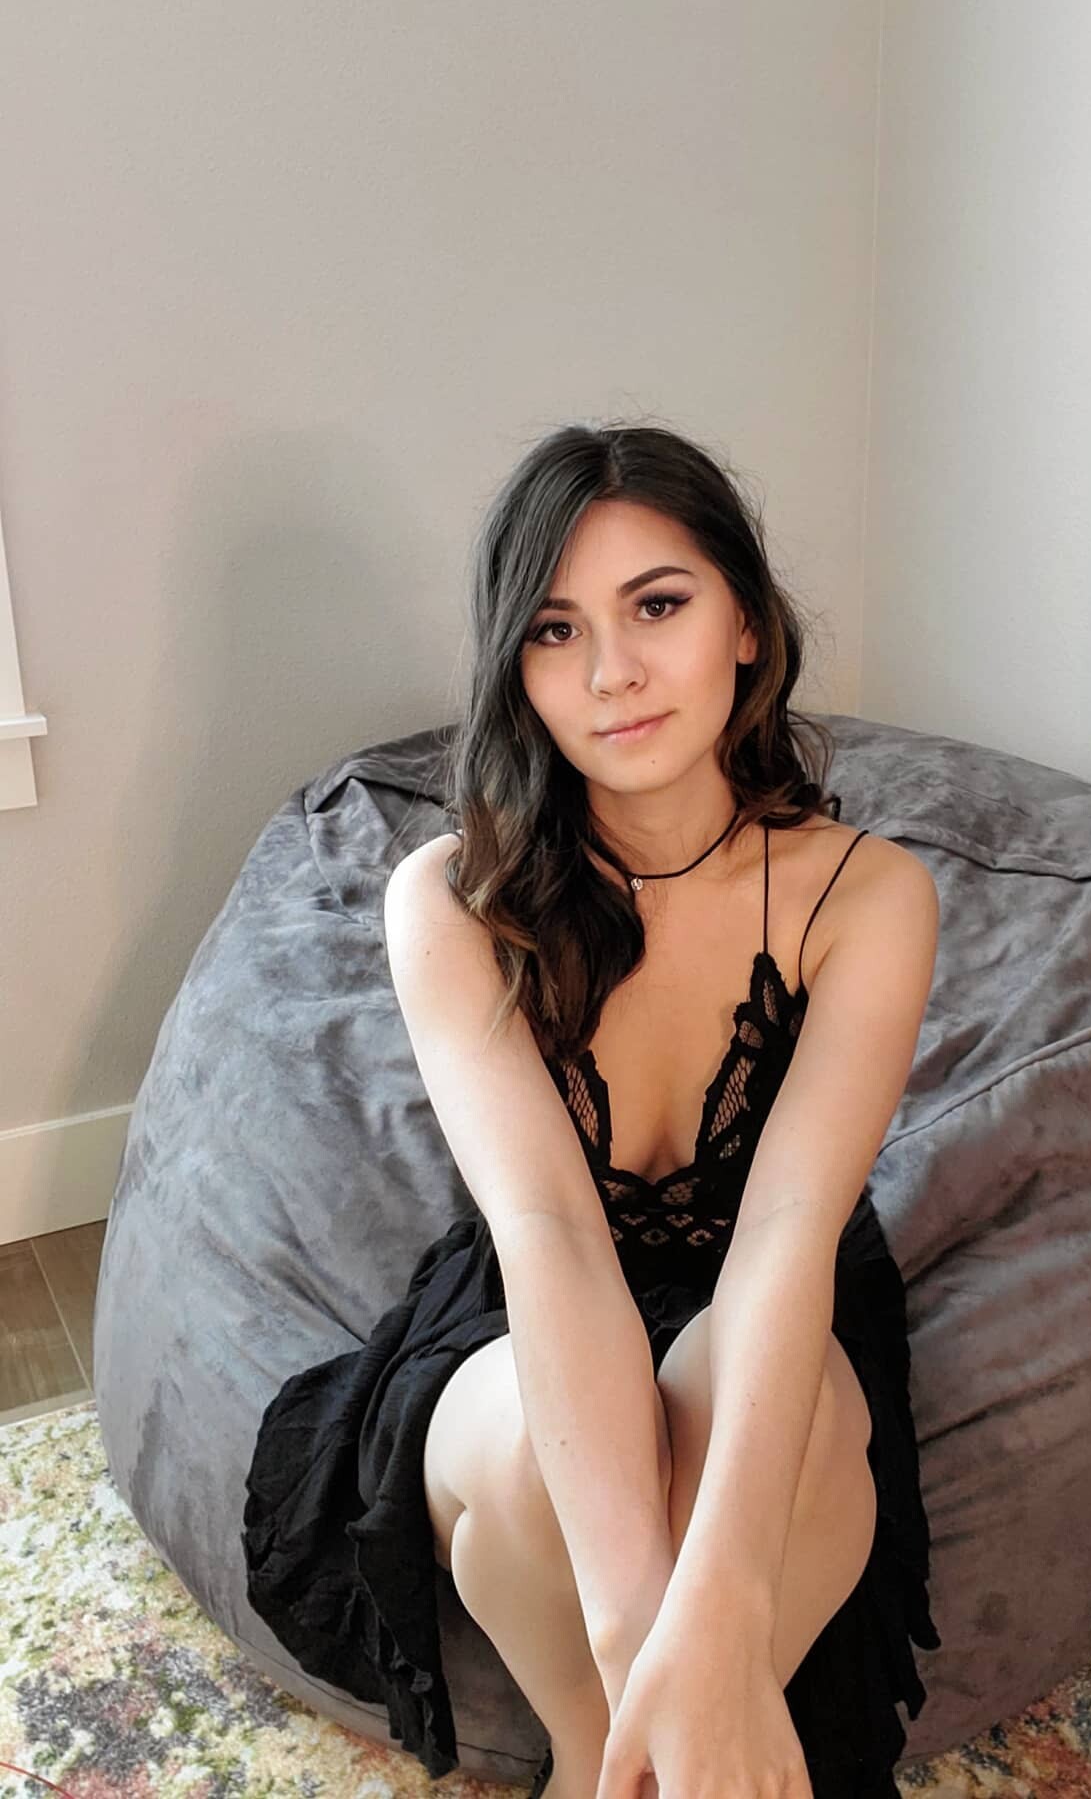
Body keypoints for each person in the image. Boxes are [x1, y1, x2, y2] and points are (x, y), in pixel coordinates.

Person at [242, 419, 942, 1798]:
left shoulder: (869, 896)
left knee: (775, 1421)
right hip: (532, 1307)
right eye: (554, 632)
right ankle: (604, 1761)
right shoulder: (452, 898)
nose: (610, 673)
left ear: (747, 623)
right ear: (516, 669)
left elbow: (787, 1237)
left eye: (658, 606)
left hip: (777, 1301)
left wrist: (719, 1620)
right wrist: (642, 1644)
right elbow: (550, 1233)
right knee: (523, 1464)